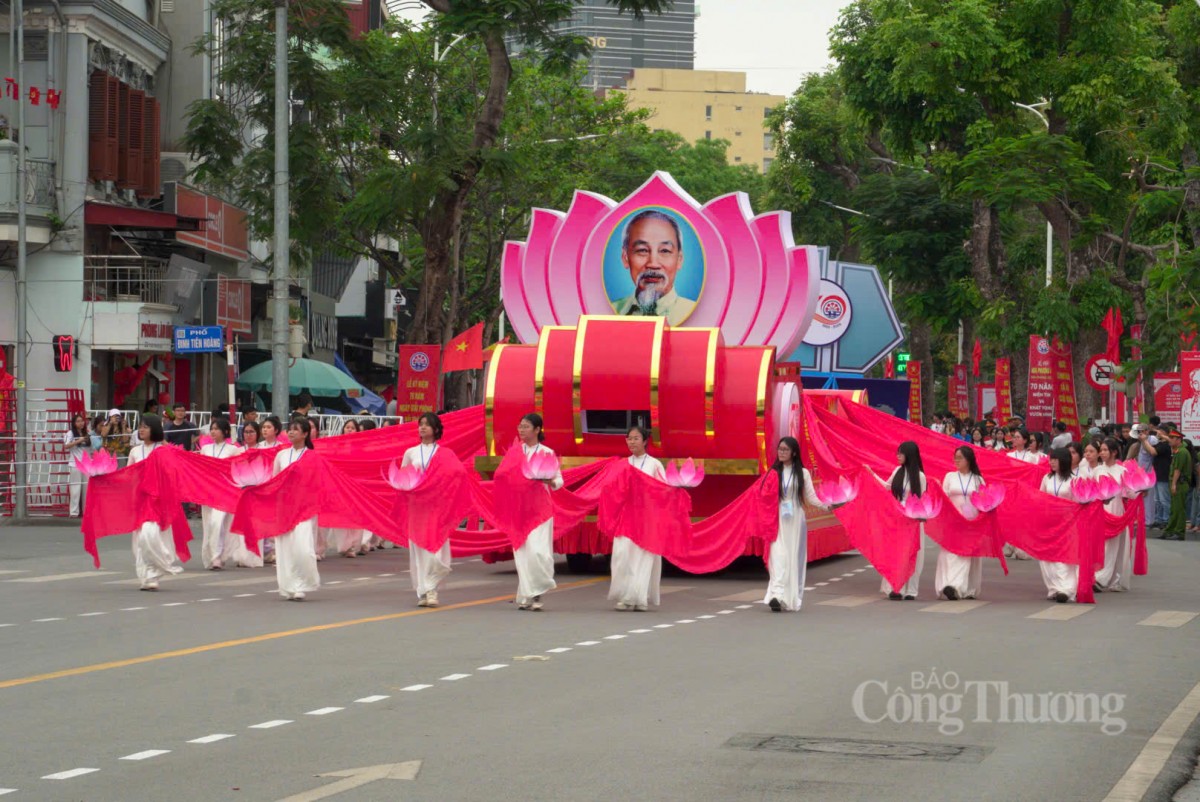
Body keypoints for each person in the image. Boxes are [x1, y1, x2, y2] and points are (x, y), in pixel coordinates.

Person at [763, 436, 827, 612]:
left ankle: (786, 597)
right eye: (780, 449)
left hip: (795, 520)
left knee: (791, 559)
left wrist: (828, 506)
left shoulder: (803, 473)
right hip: (777, 520)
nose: (781, 452)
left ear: (794, 453)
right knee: (777, 556)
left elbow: (811, 498)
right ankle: (776, 595)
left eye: (785, 449)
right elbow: (762, 495)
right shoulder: (773, 472)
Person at [609, 425, 669, 612]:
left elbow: (664, 489)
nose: (632, 442)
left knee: (643, 557)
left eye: (636, 438)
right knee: (622, 555)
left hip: (646, 517)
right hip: (626, 516)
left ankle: (638, 598)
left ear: (645, 441)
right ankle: (625, 595)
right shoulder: (622, 464)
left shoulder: (654, 464)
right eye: (629, 438)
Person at [126, 414, 184, 591]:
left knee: (149, 535)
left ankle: (155, 572)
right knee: (139, 541)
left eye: (145, 426)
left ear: (155, 429)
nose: (141, 429)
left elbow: (174, 473)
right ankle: (146, 577)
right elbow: (128, 475)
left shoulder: (163, 450)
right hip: (140, 499)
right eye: (140, 426)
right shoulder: (135, 451)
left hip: (158, 501)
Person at [401, 412, 453, 607]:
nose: (422, 427)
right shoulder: (411, 453)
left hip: (437, 506)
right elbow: (403, 477)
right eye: (420, 424)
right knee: (419, 549)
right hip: (417, 507)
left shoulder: (445, 453)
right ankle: (424, 591)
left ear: (436, 429)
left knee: (435, 549)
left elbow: (453, 477)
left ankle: (432, 589)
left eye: (427, 424)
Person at [611, 210, 697, 326]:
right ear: (625, 258)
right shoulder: (608, 313)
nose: (653, 264)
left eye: (664, 251)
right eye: (642, 250)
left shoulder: (697, 314)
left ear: (679, 259)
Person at [512, 413, 562, 611]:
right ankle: (528, 594)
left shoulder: (547, 452)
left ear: (537, 429)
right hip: (520, 509)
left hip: (541, 509)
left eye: (526, 426)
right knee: (522, 552)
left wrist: (550, 481)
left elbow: (559, 480)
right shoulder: (515, 452)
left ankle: (537, 589)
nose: (521, 430)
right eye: (520, 426)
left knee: (538, 552)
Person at [272, 418, 320, 601]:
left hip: (305, 508)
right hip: (284, 507)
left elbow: (318, 483)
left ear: (305, 434)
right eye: (289, 429)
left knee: (303, 548)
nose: (291, 432)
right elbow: (274, 481)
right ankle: (289, 586)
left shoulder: (313, 456)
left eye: (295, 429)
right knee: (285, 548)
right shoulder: (281, 455)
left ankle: (302, 583)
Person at [935, 446, 985, 601]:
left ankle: (959, 587)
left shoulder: (977, 479)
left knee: (966, 555)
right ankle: (947, 585)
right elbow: (944, 497)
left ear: (968, 460)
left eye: (960, 458)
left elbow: (983, 501)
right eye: (955, 457)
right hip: (953, 521)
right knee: (948, 554)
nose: (956, 460)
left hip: (971, 522)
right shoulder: (950, 476)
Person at [880, 440, 928, 601]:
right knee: (896, 553)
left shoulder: (920, 476)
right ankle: (896, 587)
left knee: (913, 553)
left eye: (901, 453)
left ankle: (911, 590)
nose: (898, 455)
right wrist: (870, 474)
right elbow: (886, 486)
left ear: (909, 455)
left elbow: (922, 499)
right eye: (897, 452)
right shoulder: (897, 471)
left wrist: (919, 516)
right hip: (897, 519)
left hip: (913, 520)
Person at [198, 418, 246, 570]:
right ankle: (213, 554)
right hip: (208, 491)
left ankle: (217, 557)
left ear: (225, 431)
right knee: (209, 524)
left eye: (216, 429)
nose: (213, 431)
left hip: (226, 491)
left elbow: (238, 470)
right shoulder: (205, 449)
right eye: (212, 429)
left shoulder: (233, 450)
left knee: (218, 522)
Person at [1039, 448, 1079, 603]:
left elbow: (1078, 502)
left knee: (1065, 556)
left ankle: (1067, 589)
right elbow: (1041, 497)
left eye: (1055, 460)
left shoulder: (1074, 480)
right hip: (1049, 521)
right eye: (1051, 460)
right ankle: (1054, 588)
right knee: (1047, 556)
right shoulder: (1047, 478)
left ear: (1064, 461)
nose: (1052, 462)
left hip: (1068, 522)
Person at [324, 418, 366, 559]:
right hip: (340, 486)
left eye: (352, 428)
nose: (349, 430)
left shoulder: (361, 448)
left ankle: (353, 546)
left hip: (356, 486)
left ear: (357, 431)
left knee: (356, 517)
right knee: (342, 516)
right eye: (347, 427)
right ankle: (344, 546)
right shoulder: (337, 447)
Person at [1094, 438, 1131, 592]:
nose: (1102, 453)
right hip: (1100, 511)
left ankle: (1103, 578)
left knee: (1112, 546)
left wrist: (1140, 489)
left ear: (1114, 452)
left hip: (1116, 511)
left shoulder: (1122, 471)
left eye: (1105, 450)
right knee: (1101, 545)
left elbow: (1129, 493)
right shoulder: (1097, 470)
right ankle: (1100, 576)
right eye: (1101, 450)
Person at [1162, 430, 1193, 541]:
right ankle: (1170, 531)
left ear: (1179, 440)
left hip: (1180, 484)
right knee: (1174, 509)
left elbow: (1177, 470)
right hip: (1178, 483)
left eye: (1172, 438)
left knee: (1179, 509)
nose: (1169, 440)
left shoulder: (1181, 452)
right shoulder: (1178, 451)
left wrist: (1174, 484)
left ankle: (1179, 532)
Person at [63, 413, 91, 517]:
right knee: (75, 488)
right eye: (78, 421)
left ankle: (85, 511)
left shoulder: (87, 432)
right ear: (74, 423)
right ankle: (74, 512)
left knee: (86, 489)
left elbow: (90, 449)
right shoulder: (70, 433)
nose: (81, 423)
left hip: (86, 464)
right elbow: (66, 446)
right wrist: (79, 440)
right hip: (75, 463)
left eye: (82, 421)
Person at [1150, 425, 1174, 530]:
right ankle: (1158, 519)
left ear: (1164, 432)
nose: (1157, 433)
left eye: (1159, 431)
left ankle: (1166, 520)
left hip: (1164, 475)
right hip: (1156, 474)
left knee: (1164, 500)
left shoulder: (1167, 445)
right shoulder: (1159, 444)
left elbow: (1153, 452)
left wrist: (1163, 436)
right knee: (1157, 500)